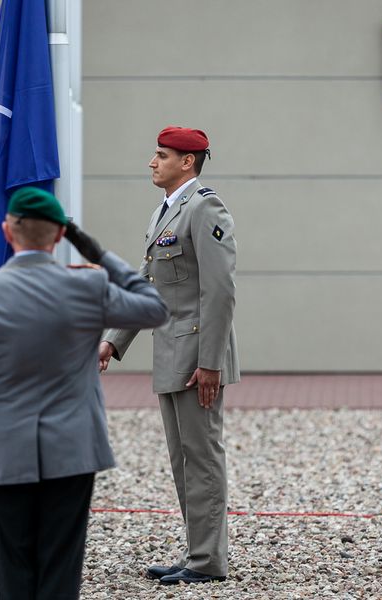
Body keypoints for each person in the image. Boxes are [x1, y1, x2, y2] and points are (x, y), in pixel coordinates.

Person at [0, 187, 169, 600]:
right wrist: (95, 251)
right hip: (72, 450)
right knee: (61, 570)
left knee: (13, 571)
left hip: (5, 452)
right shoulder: (88, 285)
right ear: (57, 236)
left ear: (7, 232)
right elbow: (155, 307)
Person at [99, 126, 240, 585]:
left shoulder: (204, 207)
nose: (152, 162)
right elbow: (147, 285)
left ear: (187, 161)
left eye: (161, 155)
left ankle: (207, 561)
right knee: (183, 460)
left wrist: (211, 363)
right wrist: (113, 340)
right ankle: (198, 552)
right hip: (172, 354)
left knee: (202, 457)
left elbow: (219, 292)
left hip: (197, 357)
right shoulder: (166, 211)